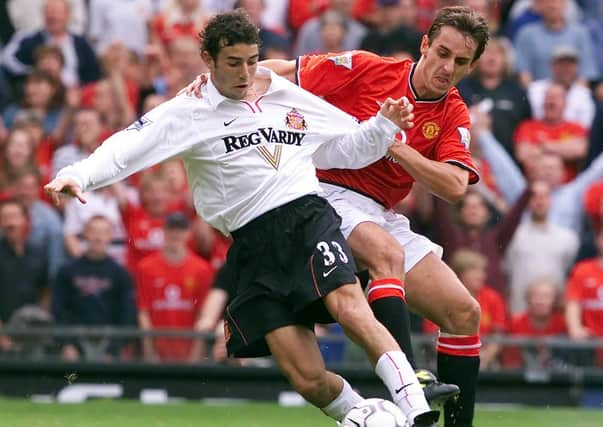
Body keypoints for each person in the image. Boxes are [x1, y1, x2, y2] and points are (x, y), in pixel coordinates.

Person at [45, 11, 439, 426]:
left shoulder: (283, 93)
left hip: (307, 217)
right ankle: (363, 414)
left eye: (252, 60)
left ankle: (415, 406)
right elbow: (129, 145)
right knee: (307, 378)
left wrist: (380, 127)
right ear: (208, 60)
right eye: (234, 62)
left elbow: (344, 147)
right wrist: (78, 174)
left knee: (349, 306)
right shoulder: (187, 111)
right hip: (252, 244)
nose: (246, 72)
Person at [185, 6, 488, 426]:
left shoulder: (453, 112)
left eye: (459, 62)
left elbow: (454, 186)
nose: (446, 67)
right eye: (442, 52)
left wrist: (392, 144)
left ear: (471, 67)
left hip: (381, 212)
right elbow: (282, 71)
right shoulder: (367, 69)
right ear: (425, 45)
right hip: (325, 193)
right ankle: (409, 380)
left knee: (463, 312)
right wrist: (221, 88)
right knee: (386, 254)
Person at [52, 215, 136, 361]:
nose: (98, 237)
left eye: (103, 232)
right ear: (85, 234)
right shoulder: (67, 271)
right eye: (93, 231)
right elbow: (58, 310)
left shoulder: (120, 274)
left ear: (110, 236)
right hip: (75, 341)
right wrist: (67, 344)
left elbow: (127, 315)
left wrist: (114, 349)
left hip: (109, 341)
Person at [136, 212, 214, 363]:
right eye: (172, 229)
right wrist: (149, 351)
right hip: (158, 350)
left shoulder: (202, 269)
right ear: (164, 232)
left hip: (188, 349)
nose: (176, 234)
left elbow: (202, 315)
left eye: (181, 230)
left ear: (189, 233)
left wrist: (195, 356)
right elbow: (144, 312)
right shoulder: (145, 268)